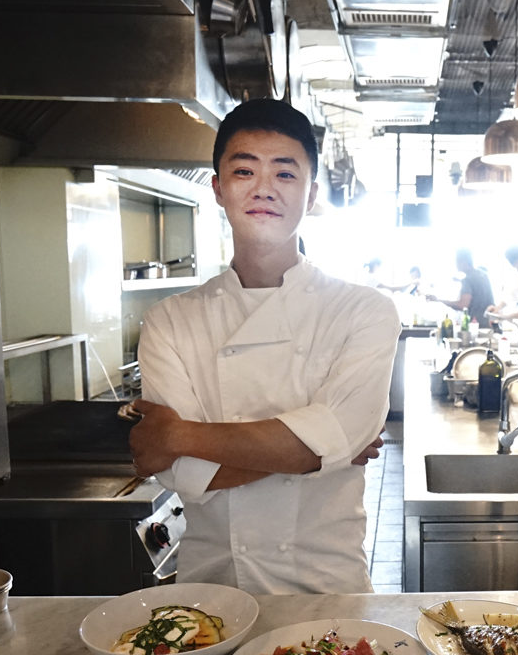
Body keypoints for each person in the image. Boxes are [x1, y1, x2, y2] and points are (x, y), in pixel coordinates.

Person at [128, 98, 401, 594]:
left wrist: (178, 436)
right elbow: (182, 474)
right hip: (212, 591)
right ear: (217, 188)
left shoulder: (363, 310)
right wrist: (319, 449)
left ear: (311, 192)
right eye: (244, 170)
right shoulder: (170, 320)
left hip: (324, 586)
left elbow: (177, 451)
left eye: (285, 174)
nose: (264, 190)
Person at [425, 248, 494, 325]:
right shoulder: (484, 275)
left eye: (456, 262)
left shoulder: (467, 280)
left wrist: (438, 300)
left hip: (477, 325)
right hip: (490, 323)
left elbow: (462, 305)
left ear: (463, 262)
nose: (456, 265)